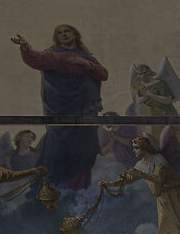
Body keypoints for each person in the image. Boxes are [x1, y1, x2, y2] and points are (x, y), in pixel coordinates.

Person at [12, 24, 109, 192]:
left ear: (75, 34)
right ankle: (50, 187)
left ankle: (77, 189)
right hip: (61, 113)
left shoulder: (85, 57)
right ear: (56, 38)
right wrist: (26, 47)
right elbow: (35, 59)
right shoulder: (53, 56)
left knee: (88, 148)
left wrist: (84, 63)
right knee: (58, 150)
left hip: (84, 111)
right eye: (60, 33)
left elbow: (103, 74)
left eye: (67, 31)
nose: (64, 34)